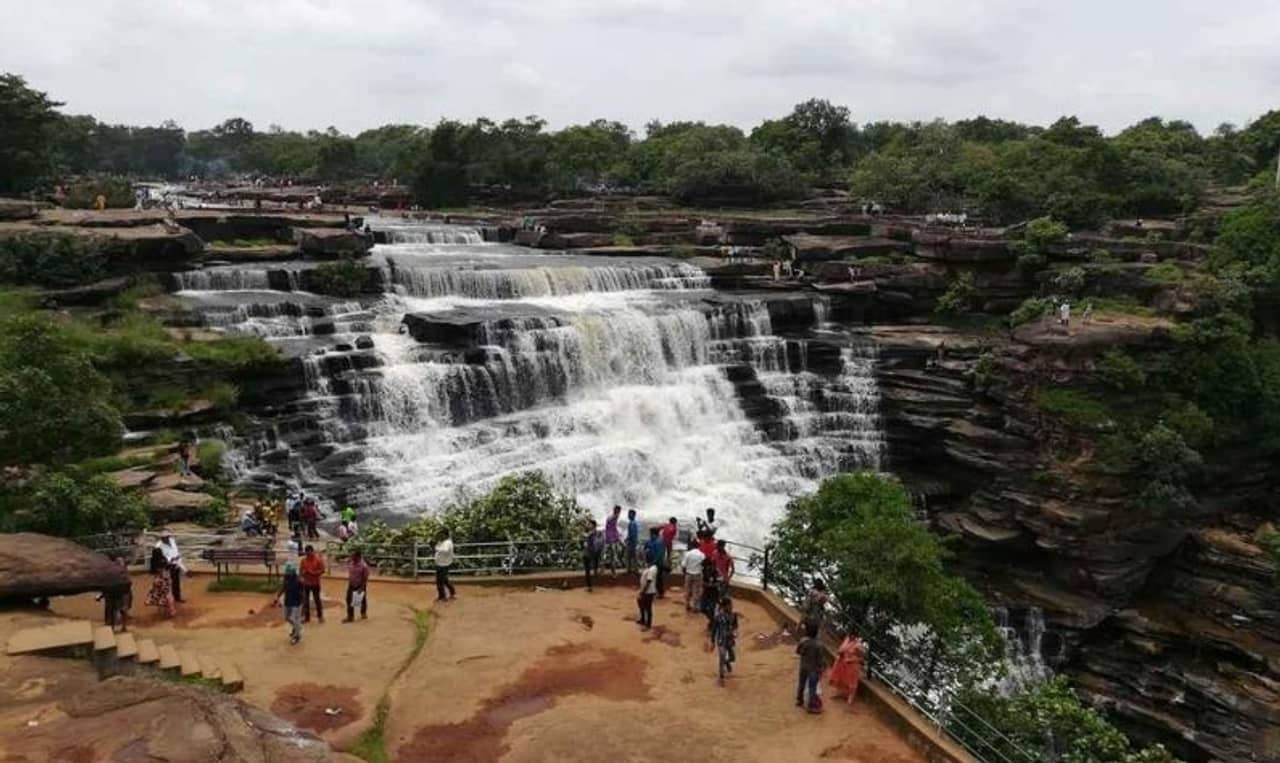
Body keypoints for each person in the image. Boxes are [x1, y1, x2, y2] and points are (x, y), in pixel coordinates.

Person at [796, 622, 826, 713]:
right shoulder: (819, 644)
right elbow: (820, 659)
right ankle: (811, 705)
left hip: (803, 666)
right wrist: (822, 668)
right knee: (812, 687)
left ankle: (799, 700)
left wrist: (804, 653)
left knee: (801, 684)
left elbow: (798, 651)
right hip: (813, 668)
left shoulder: (803, 641)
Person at [273, 562, 304, 645]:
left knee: (294, 618)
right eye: (287, 572)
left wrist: (302, 604)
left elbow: (303, 593)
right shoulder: (286, 578)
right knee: (286, 618)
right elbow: (283, 587)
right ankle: (297, 627)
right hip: (288, 601)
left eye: (289, 572)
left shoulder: (299, 581)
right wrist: (277, 597)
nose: (288, 574)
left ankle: (297, 636)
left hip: (297, 602)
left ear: (293, 572)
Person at [828, 635, 865, 704]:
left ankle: (851, 697)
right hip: (842, 662)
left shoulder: (858, 645)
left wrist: (851, 660)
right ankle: (839, 692)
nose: (851, 637)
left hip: (853, 665)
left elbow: (861, 658)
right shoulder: (847, 639)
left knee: (852, 681)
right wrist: (840, 653)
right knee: (840, 678)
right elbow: (841, 649)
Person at [712, 597, 739, 685]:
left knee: (732, 658)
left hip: (730, 640)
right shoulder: (718, 617)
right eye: (729, 605)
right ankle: (721, 676)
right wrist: (712, 642)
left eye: (731, 605)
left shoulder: (734, 615)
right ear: (724, 606)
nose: (731, 606)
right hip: (721, 640)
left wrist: (734, 632)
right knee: (722, 656)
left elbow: (735, 625)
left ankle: (726, 662)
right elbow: (714, 630)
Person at [145, 544, 176, 618]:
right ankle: (171, 611)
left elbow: (152, 571)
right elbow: (168, 567)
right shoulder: (163, 559)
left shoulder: (153, 561)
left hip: (157, 580)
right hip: (165, 579)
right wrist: (172, 561)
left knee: (159, 595)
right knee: (168, 594)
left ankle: (161, 611)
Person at [102, 556, 132, 632]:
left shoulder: (121, 573)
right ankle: (115, 626)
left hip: (121, 593)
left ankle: (122, 626)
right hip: (117, 593)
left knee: (122, 610)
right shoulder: (118, 572)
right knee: (115, 609)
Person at [155, 534, 185, 603]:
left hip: (175, 564)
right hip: (166, 566)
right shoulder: (158, 546)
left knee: (176, 581)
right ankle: (164, 598)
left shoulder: (172, 541)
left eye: (167, 537)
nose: (167, 538)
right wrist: (170, 559)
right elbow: (159, 557)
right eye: (165, 537)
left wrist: (179, 563)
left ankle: (177, 597)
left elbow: (176, 552)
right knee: (165, 583)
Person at [299, 545, 326, 623]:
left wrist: (313, 573)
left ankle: (320, 616)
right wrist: (302, 576)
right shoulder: (303, 560)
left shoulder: (318, 560)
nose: (308, 554)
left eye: (309, 552)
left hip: (315, 583)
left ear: (312, 551)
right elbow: (300, 571)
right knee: (305, 601)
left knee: (317, 600)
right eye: (307, 553)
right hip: (306, 583)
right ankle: (307, 617)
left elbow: (322, 570)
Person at [344, 550, 370, 622]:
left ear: (358, 557)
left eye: (353, 556)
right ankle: (350, 616)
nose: (352, 557)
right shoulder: (351, 562)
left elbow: (365, 578)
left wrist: (362, 587)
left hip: (360, 585)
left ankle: (363, 612)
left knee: (362, 599)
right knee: (349, 599)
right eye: (352, 556)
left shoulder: (364, 566)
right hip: (351, 584)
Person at [681, 540, 706, 613]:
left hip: (688, 574)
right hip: (697, 574)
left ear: (692, 545)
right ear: (698, 546)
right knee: (696, 591)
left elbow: (683, 565)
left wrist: (684, 574)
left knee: (687, 590)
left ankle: (687, 605)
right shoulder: (702, 555)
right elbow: (704, 565)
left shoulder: (688, 554)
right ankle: (695, 607)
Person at [434, 528, 456, 601]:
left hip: (444, 564)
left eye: (441, 534)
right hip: (440, 563)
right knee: (444, 580)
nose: (439, 536)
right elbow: (437, 549)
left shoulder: (447, 542)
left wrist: (436, 549)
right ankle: (452, 592)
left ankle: (442, 596)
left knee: (440, 581)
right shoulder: (442, 542)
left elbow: (445, 550)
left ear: (445, 535)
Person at [644, 527, 666, 598]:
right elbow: (645, 548)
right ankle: (652, 591)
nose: (650, 535)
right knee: (651, 577)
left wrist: (654, 562)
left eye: (651, 534)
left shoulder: (659, 542)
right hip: (650, 561)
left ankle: (660, 592)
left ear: (654, 534)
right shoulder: (649, 541)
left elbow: (659, 554)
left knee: (658, 578)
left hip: (657, 563)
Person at [583, 520, 604, 592]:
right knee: (590, 568)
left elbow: (586, 536)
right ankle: (596, 572)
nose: (588, 525)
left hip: (589, 553)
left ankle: (589, 586)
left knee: (587, 570)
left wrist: (584, 533)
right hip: (593, 552)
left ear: (593, 525)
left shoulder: (592, 533)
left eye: (589, 524)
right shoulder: (597, 533)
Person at [637, 557, 658, 631]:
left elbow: (649, 581)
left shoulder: (652, 569)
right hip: (646, 590)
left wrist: (643, 591)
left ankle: (648, 624)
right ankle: (643, 619)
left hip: (648, 591)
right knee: (640, 603)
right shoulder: (650, 567)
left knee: (648, 607)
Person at [603, 505, 623, 575]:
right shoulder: (614, 517)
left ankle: (605, 569)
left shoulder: (611, 517)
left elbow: (611, 528)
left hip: (610, 538)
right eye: (618, 511)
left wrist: (618, 537)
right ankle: (613, 571)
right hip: (611, 539)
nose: (619, 513)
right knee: (613, 555)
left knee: (609, 555)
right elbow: (612, 529)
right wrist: (618, 538)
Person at [624, 509, 640, 573]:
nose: (628, 515)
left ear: (633, 515)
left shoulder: (632, 523)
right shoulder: (634, 523)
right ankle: (635, 569)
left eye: (629, 514)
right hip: (634, 542)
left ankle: (630, 569)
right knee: (633, 557)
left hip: (631, 542)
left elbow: (632, 534)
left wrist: (627, 539)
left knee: (629, 557)